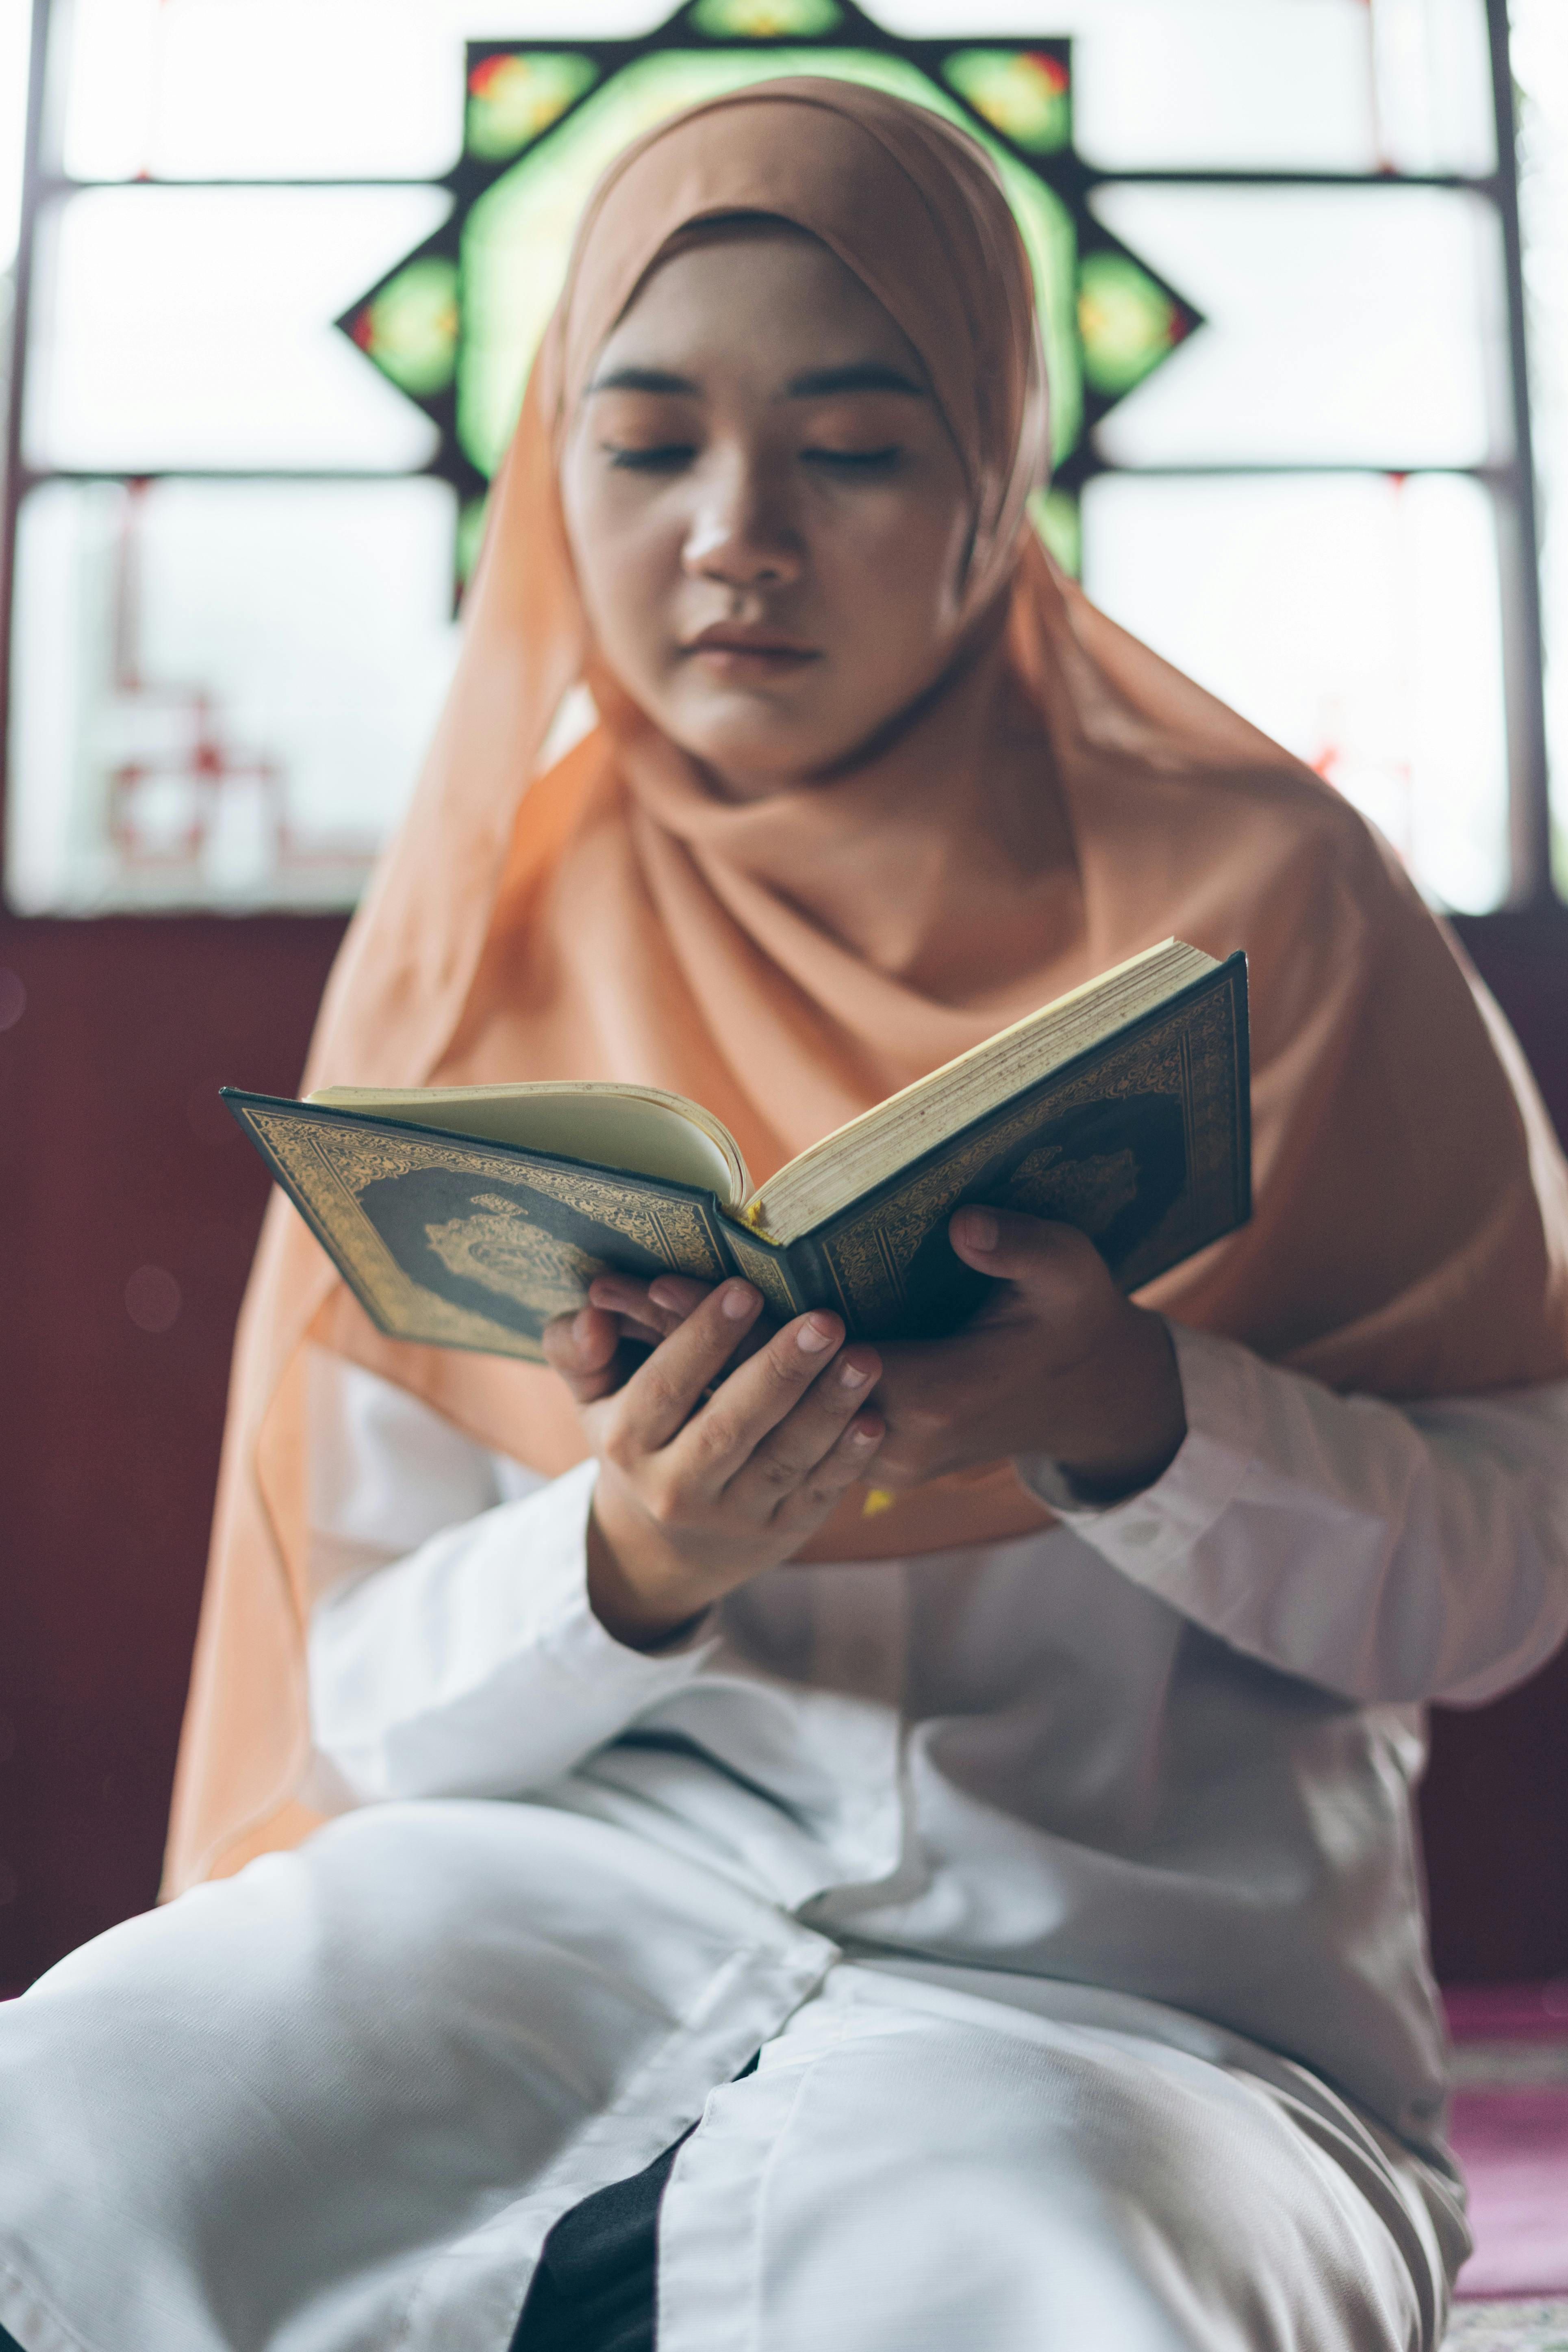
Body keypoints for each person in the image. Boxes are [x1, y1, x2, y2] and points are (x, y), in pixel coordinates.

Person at [4, 78, 1568, 2352]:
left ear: (993, 475)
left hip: (1128, 1986)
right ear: (554, 482)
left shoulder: (1270, 910)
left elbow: (1499, 1580)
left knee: (1024, 2278)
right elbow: (356, 1694)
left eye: (850, 451)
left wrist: (1137, 1416)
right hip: (546, 1906)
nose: (736, 535)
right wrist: (633, 1556)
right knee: (72, 2133)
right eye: (646, 447)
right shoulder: (483, 943)